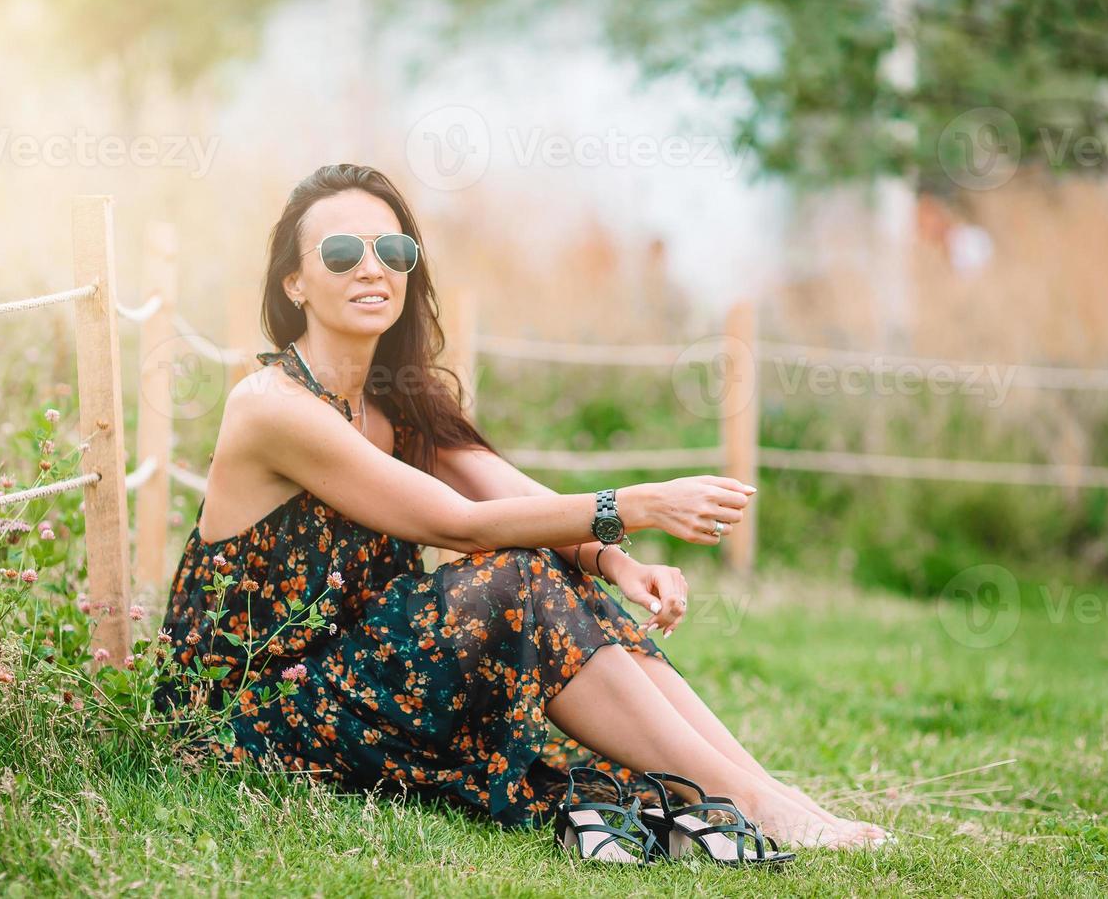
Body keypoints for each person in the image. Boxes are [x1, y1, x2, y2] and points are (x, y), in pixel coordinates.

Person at [153, 163, 885, 850]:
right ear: (295, 283)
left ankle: (763, 790)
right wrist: (639, 503)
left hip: (357, 677)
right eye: (342, 252)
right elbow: (458, 525)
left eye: (394, 249)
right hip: (250, 713)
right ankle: (746, 802)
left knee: (547, 566)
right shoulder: (271, 407)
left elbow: (515, 498)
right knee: (513, 575)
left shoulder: (398, 401)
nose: (372, 268)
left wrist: (614, 561)